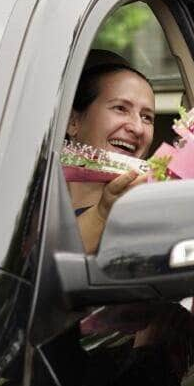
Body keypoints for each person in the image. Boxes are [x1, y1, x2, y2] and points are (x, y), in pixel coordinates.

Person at [66, 49, 155, 254]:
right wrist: (101, 214)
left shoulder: (152, 212)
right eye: (120, 108)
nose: (137, 128)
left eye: (147, 117)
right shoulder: (28, 199)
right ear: (73, 121)